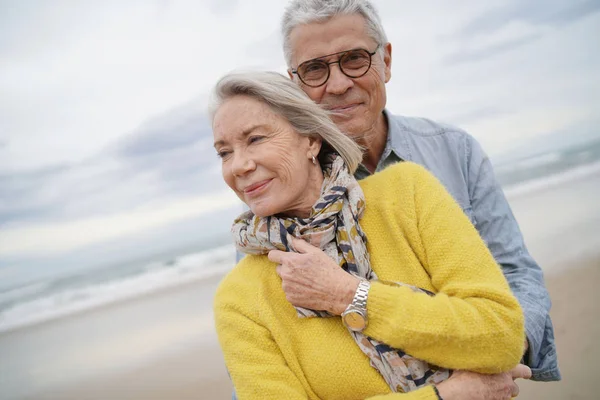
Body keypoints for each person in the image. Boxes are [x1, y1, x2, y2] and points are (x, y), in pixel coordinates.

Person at [278, 0, 559, 383]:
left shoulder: (454, 150)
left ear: (386, 62)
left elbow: (514, 271)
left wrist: (502, 354)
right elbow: (273, 337)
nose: (339, 83)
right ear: (294, 84)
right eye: (314, 69)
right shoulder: (281, 194)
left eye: (355, 59)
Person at [212, 71, 527, 399]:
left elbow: (501, 334)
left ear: (311, 140)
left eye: (255, 139)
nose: (238, 166)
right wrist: (447, 395)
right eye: (224, 153)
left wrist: (347, 295)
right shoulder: (240, 298)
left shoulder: (407, 192)